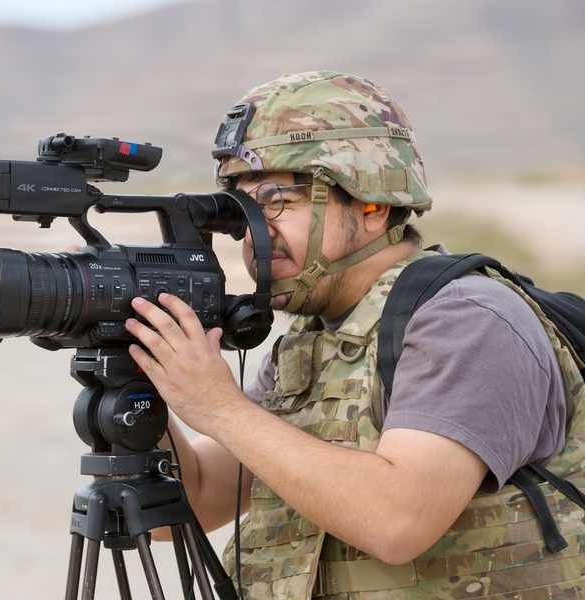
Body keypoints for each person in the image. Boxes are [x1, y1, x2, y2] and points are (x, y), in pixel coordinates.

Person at [124, 71, 585, 598]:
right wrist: (140, 372)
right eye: (243, 210)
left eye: (277, 202)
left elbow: (397, 520)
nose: (256, 232)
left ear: (373, 205)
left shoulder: (467, 320)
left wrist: (219, 406)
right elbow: (199, 500)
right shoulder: (309, 339)